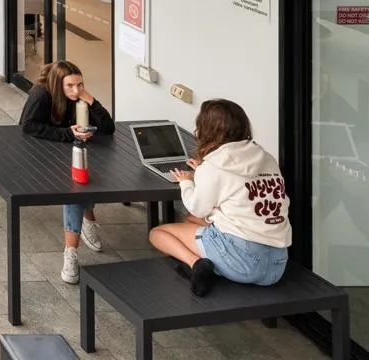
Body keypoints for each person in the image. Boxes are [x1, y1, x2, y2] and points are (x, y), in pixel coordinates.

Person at [147, 99, 290, 296]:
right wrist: (203, 172)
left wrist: (186, 182)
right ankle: (207, 261)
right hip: (277, 264)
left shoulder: (214, 167)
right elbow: (239, 188)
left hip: (242, 263)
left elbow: (197, 208)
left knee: (158, 234)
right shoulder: (266, 158)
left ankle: (196, 264)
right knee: (190, 222)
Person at [19, 60, 115, 284]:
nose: (76, 90)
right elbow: (28, 126)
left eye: (80, 84)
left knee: (83, 177)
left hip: (71, 150)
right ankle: (72, 249)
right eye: (70, 86)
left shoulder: (81, 97)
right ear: (57, 85)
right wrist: (67, 133)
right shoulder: (41, 95)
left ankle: (87, 224)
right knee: (75, 188)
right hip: (42, 154)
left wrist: (91, 100)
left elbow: (108, 128)